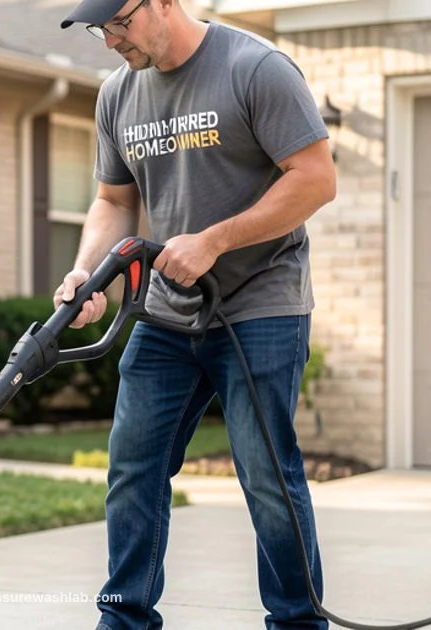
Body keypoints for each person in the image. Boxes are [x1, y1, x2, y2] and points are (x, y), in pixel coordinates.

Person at [54, 1, 338, 629]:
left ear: (162, 2)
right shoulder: (117, 96)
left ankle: (296, 622)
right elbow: (112, 199)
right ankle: (125, 619)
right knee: (133, 465)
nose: (110, 40)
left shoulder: (255, 68)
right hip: (168, 311)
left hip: (261, 303)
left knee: (266, 473)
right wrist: (87, 273)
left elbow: (315, 179)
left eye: (118, 22)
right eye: (99, 29)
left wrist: (214, 240)